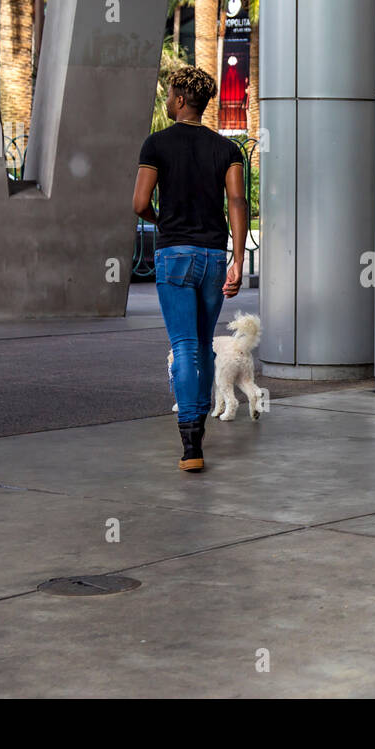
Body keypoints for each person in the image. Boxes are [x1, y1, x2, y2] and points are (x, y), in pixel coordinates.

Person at [133, 66, 249, 473]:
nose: (167, 102)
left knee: (183, 346)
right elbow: (237, 203)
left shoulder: (157, 144)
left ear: (180, 99)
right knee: (202, 345)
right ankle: (198, 430)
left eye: (169, 95)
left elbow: (139, 202)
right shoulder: (227, 150)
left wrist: (164, 220)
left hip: (175, 256)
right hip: (215, 257)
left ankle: (189, 445)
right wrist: (237, 258)